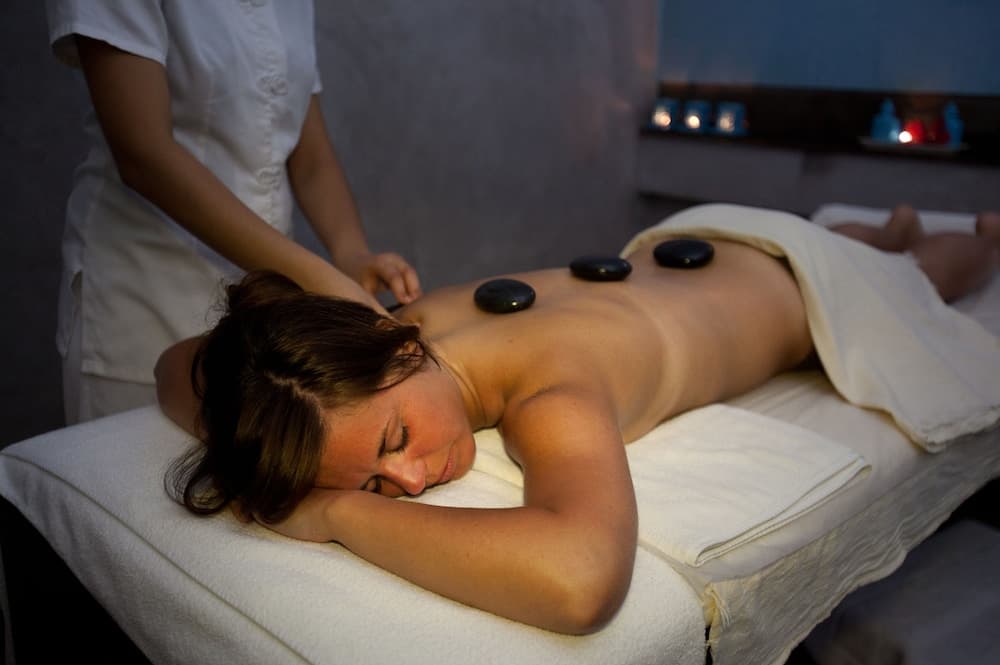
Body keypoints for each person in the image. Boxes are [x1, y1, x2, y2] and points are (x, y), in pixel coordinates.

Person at [155, 204, 999, 635]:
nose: (409, 480)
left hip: (813, 291)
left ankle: (973, 235)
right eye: (376, 483)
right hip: (717, 237)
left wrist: (340, 512)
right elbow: (179, 367)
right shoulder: (383, 332)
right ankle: (881, 225)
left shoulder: (552, 387)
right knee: (842, 235)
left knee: (922, 272)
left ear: (401, 353)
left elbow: (583, 578)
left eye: (395, 442)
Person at [46, 1, 421, 424]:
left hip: (264, 300)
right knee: (142, 458)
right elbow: (143, 153)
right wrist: (320, 280)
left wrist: (350, 252)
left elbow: (309, 154)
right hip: (146, 287)